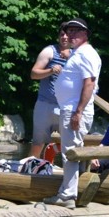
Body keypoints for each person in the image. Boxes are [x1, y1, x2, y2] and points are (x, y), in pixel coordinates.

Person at [43, 18, 101, 209]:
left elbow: (89, 83)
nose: (71, 35)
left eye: (76, 31)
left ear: (86, 34)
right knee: (73, 151)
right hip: (71, 110)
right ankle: (74, 191)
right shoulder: (80, 54)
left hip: (75, 111)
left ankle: (67, 195)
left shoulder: (86, 54)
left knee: (70, 153)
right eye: (69, 31)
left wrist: (78, 112)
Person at [29, 23, 71, 159]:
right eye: (62, 34)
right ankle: (31, 169)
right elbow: (34, 74)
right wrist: (51, 70)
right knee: (38, 142)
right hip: (45, 104)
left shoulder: (79, 55)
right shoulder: (49, 51)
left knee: (69, 143)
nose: (64, 37)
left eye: (67, 34)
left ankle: (72, 173)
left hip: (66, 107)